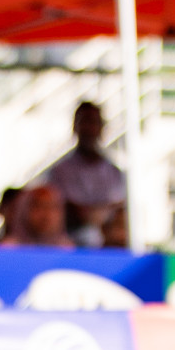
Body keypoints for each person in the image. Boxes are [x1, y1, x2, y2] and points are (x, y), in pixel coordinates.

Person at [47, 101, 127, 247]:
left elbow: (119, 209)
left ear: (101, 127)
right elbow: (68, 211)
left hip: (109, 247)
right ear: (75, 127)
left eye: (93, 122)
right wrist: (99, 212)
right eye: (84, 122)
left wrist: (93, 214)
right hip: (71, 245)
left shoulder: (115, 172)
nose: (88, 128)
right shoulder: (60, 171)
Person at [0, 185, 73, 248]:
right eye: (39, 206)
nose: (46, 214)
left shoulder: (67, 250)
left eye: (52, 207)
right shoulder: (8, 248)